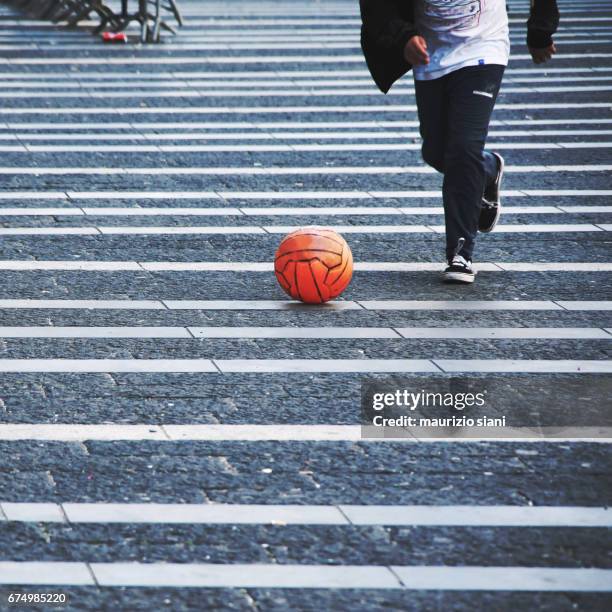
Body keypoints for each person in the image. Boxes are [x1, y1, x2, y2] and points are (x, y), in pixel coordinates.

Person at [360, 0, 559, 283]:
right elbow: (376, 6)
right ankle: (487, 168)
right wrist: (402, 36)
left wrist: (541, 30)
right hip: (431, 49)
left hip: (483, 46)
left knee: (463, 150)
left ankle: (460, 253)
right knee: (436, 151)